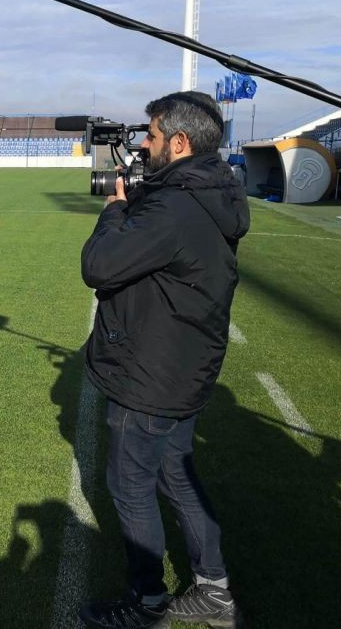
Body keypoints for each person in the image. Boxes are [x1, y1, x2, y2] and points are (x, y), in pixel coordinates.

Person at [78, 91, 250, 628]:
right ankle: (214, 589)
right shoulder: (209, 191)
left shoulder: (174, 208)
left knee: (131, 485)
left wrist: (114, 213)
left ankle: (146, 602)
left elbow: (101, 265)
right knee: (176, 474)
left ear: (178, 143)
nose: (143, 145)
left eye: (151, 136)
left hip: (150, 373)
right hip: (186, 367)